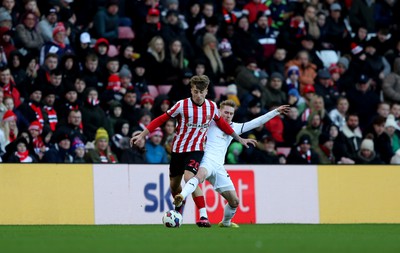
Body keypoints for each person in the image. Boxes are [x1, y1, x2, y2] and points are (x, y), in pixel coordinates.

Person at [131, 75, 256, 227]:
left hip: (196, 149)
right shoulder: (181, 105)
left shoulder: (211, 107)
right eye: (195, 91)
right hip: (178, 150)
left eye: (201, 92)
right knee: (174, 186)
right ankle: (178, 209)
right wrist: (142, 134)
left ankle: (203, 216)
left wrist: (239, 138)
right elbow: (161, 119)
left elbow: (223, 124)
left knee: (190, 177)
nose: (198, 95)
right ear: (191, 90)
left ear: (206, 92)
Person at [173, 100, 290, 227]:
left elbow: (257, 122)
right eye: (226, 112)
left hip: (219, 167)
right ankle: (182, 196)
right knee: (199, 176)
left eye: (231, 113)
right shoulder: (210, 122)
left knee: (234, 201)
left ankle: (225, 223)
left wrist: (276, 112)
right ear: (219, 111)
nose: (228, 115)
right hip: (206, 161)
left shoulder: (235, 128)